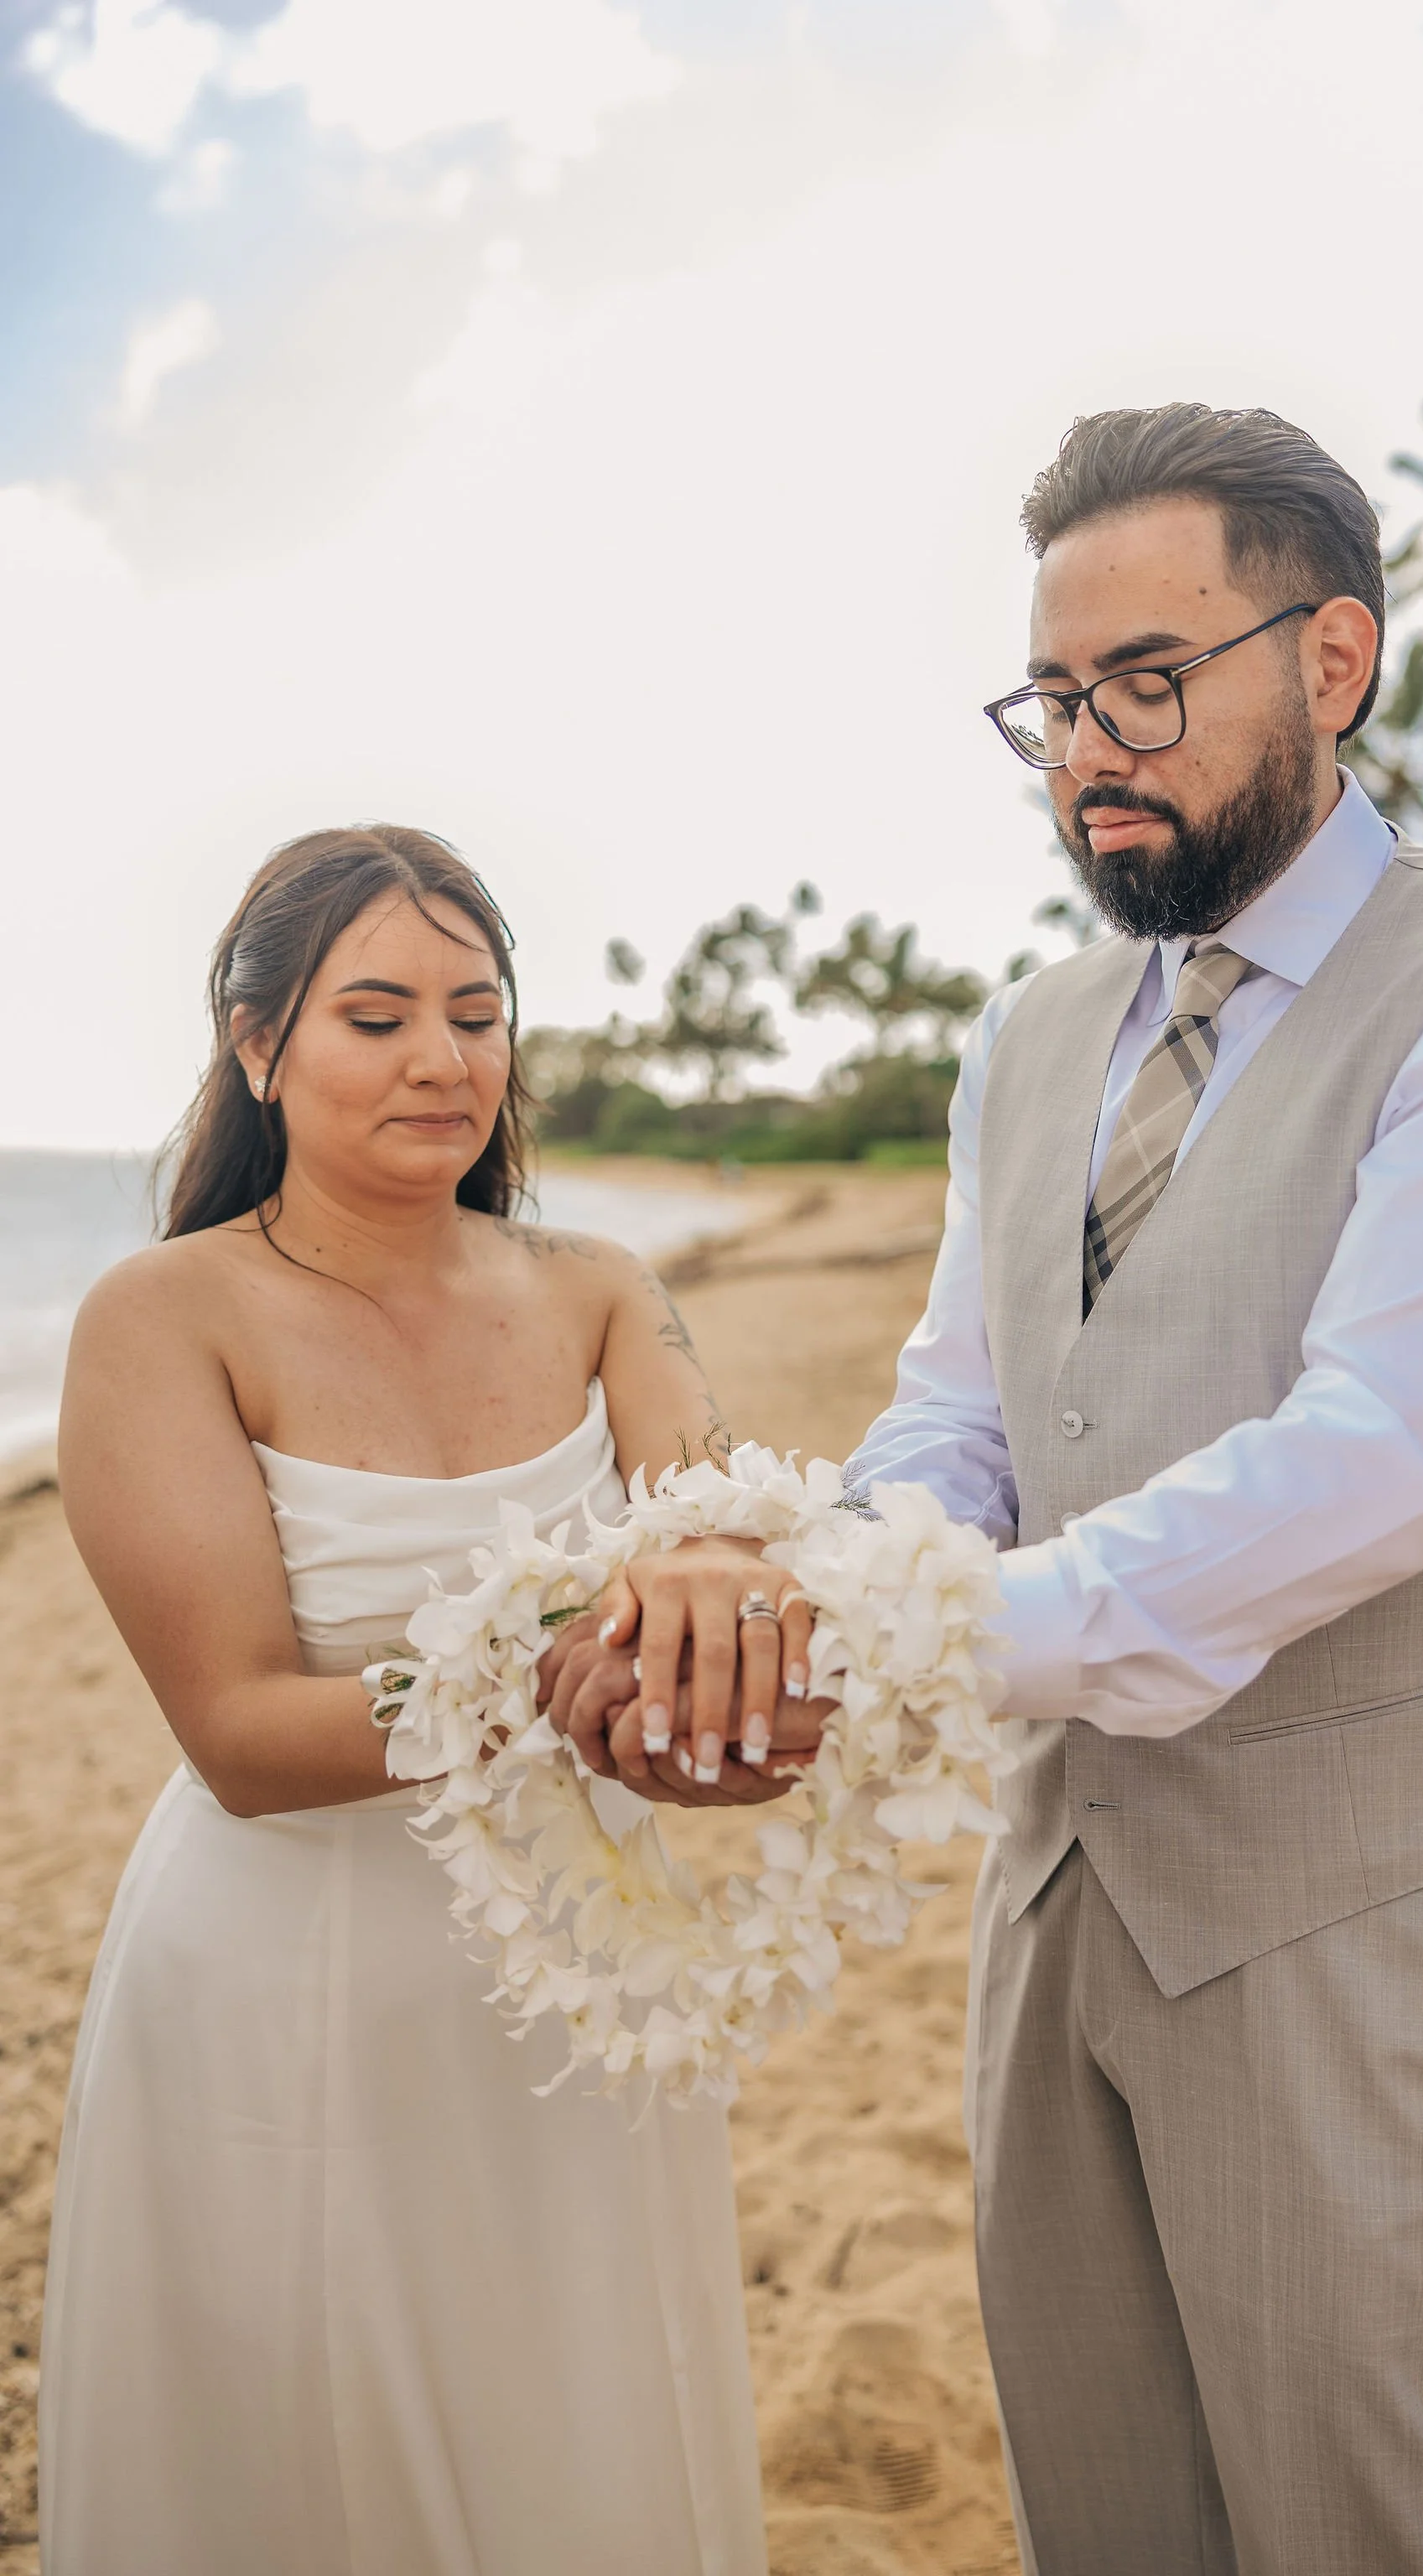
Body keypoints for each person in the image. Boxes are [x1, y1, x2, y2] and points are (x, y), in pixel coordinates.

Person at [838, 407, 1423, 2574]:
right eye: (1054, 698)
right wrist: (837, 1573)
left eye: (1150, 680)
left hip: (1371, 1920)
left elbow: (1383, 1456)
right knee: (1104, 2522)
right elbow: (963, 1415)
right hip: (1060, 1900)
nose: (1088, 746)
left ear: (1332, 661)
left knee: (1355, 2534)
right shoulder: (1025, 1040)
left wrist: (917, 1643)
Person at [39, 823, 808, 2576]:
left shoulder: (608, 1291)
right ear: (257, 1045)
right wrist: (572, 1680)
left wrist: (728, 1685)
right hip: (287, 1979)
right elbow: (238, 1738)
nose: (442, 1059)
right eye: (375, 1015)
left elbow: (707, 1569)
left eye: (477, 1012)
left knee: (582, 2432)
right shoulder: (163, 1314)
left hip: (581, 1970)